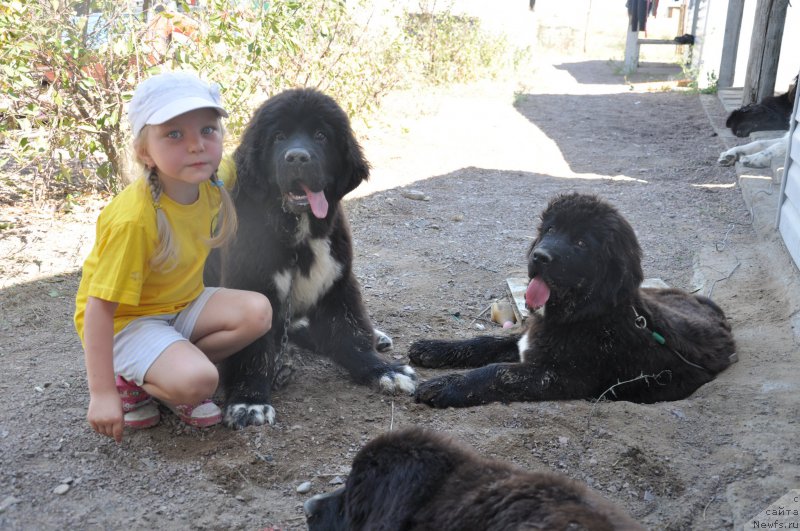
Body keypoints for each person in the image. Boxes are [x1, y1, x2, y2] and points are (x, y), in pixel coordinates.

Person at [74, 71, 272, 442]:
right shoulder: (134, 220)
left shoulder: (211, 179)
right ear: (144, 152)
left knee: (258, 311)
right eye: (174, 134)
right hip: (127, 323)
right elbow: (99, 309)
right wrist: (101, 394)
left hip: (180, 304)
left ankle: (170, 367)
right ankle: (128, 381)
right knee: (201, 381)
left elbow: (250, 158)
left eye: (207, 130)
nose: (196, 145)